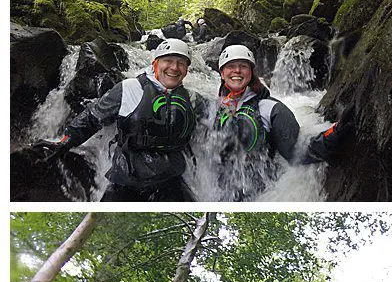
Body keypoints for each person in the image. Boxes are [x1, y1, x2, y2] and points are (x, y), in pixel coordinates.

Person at [32, 39, 197, 202]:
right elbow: (92, 117)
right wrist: (65, 141)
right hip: (127, 176)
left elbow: (218, 123)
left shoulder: (193, 99)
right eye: (168, 61)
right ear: (156, 63)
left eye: (181, 63)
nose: (174, 68)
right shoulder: (129, 87)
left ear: (187, 69)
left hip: (171, 177)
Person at [210, 44, 350, 199]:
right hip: (221, 190)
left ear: (250, 72)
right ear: (222, 73)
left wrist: (333, 134)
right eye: (231, 66)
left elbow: (297, 152)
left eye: (243, 66)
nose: (237, 71)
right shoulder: (215, 108)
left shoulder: (271, 109)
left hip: (258, 194)